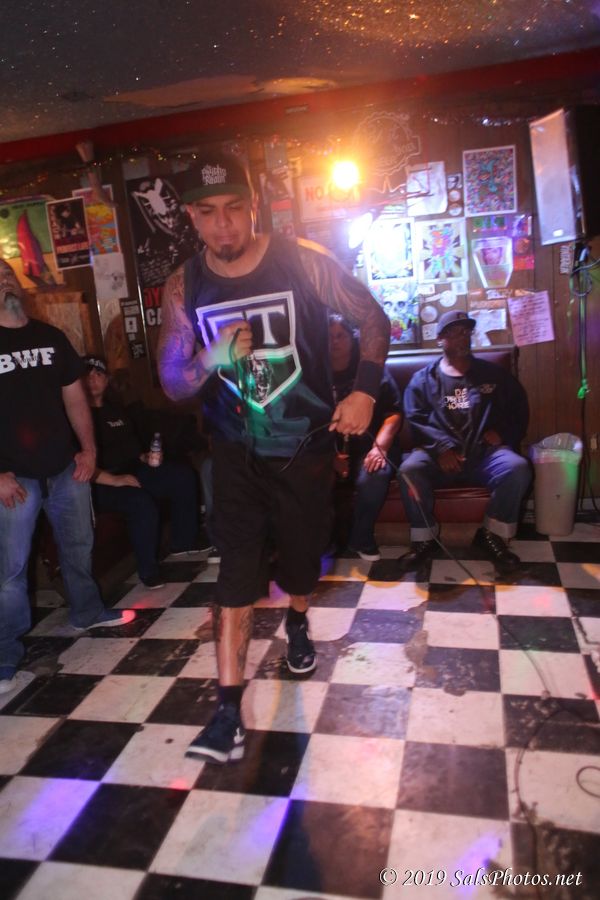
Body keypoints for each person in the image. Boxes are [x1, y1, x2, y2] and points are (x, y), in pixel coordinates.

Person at [158, 151, 390, 764]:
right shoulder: (184, 285)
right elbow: (173, 382)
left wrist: (365, 391)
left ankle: (298, 620)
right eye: (208, 212)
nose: (223, 224)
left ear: (254, 206)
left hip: (304, 448)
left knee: (300, 564)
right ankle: (226, 711)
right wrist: (210, 358)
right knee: (235, 572)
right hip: (234, 452)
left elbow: (371, 316)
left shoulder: (303, 261)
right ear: (190, 216)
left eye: (234, 208)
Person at [0, 259, 133, 695]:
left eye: (6, 273)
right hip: (12, 478)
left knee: (78, 546)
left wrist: (89, 450)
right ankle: (4, 653)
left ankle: (87, 611)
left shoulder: (50, 336)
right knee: (9, 571)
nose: (3, 280)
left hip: (64, 468)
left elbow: (76, 399)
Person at [398, 309, 531, 570]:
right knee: (408, 470)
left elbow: (519, 409)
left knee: (517, 468)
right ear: (440, 339)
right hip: (438, 457)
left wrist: (503, 433)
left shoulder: (494, 375)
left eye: (466, 332)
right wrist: (440, 448)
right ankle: (424, 539)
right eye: (454, 333)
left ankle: (491, 535)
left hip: (484, 455)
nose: (463, 337)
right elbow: (415, 418)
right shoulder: (422, 380)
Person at [83, 355, 205, 587]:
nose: (92, 379)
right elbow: (77, 464)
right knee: (140, 501)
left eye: (98, 374)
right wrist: (115, 479)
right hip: (97, 481)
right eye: (86, 375)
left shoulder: (115, 411)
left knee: (181, 476)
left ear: (107, 380)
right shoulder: (77, 416)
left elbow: (132, 450)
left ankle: (183, 542)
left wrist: (146, 457)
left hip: (131, 470)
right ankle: (148, 571)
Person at [329, 315, 403, 561]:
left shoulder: (368, 371)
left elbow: (394, 414)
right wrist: (330, 457)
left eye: (340, 336)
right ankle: (323, 540)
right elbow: (308, 422)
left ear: (352, 339)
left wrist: (379, 447)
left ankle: (361, 539)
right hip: (330, 449)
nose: (334, 342)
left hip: (371, 444)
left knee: (374, 473)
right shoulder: (315, 374)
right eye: (329, 337)